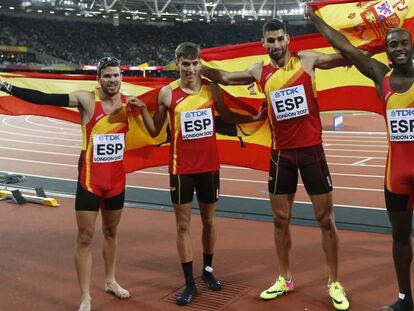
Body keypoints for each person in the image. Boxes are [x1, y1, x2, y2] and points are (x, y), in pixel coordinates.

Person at [201, 18, 350, 310]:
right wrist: (198, 65)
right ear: (263, 43)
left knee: (326, 220)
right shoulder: (260, 71)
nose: (276, 45)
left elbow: (343, 57)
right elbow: (228, 78)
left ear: (288, 39)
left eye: (280, 39)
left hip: (312, 154)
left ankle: (334, 281)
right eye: (270, 40)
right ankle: (285, 278)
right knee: (281, 221)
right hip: (281, 155)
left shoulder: (306, 61)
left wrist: (341, 35)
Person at [129, 42, 263, 306]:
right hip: (181, 169)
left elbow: (225, 117)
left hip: (209, 166)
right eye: (185, 64)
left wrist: (252, 118)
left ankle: (208, 272)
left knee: (209, 222)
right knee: (182, 225)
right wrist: (143, 109)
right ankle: (190, 283)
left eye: (194, 64)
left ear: (201, 64)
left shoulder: (211, 88)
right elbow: (156, 131)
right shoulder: (167, 94)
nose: (190, 69)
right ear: (177, 63)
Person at [0, 57, 132, 311]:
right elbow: (44, 99)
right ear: (99, 78)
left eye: (116, 75)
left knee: (111, 232)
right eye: (107, 76)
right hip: (90, 178)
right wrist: (7, 86)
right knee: (85, 236)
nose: (112, 80)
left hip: (116, 178)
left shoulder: (130, 103)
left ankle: (111, 280)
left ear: (121, 78)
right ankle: (85, 296)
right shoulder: (85, 99)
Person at [308, 6, 414, 311]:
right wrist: (316, 19)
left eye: (403, 43)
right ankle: (405, 299)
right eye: (392, 45)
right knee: (399, 236)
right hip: (397, 173)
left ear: (411, 45)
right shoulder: (380, 76)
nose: (398, 48)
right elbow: (344, 46)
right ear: (388, 51)